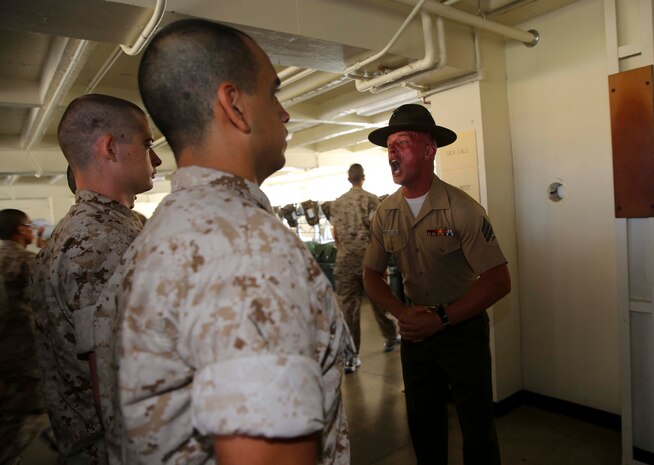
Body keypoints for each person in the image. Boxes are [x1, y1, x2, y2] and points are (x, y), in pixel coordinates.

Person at [96, 19, 351, 465]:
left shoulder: (158, 231)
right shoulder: (247, 250)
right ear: (234, 105)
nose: (285, 112)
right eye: (273, 92)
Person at [362, 104, 511, 465]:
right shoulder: (386, 213)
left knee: (477, 428)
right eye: (389, 146)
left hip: (462, 330)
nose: (392, 152)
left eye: (403, 142)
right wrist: (403, 315)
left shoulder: (462, 209)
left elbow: (497, 280)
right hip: (416, 334)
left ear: (430, 150)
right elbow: (370, 274)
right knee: (423, 424)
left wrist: (441, 319)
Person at [29, 93, 162, 465]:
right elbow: (118, 380)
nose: (157, 158)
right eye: (146, 143)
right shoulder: (100, 241)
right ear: (109, 147)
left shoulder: (109, 227)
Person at [332, 163, 399, 373]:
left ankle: (352, 358)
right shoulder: (371, 199)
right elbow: (378, 232)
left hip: (344, 261)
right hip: (370, 260)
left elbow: (335, 233)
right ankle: (391, 336)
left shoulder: (337, 203)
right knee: (380, 301)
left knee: (347, 309)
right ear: (363, 177)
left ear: (348, 178)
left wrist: (345, 249)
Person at [0, 209, 44, 464]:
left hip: (7, 361)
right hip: (22, 360)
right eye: (29, 225)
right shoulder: (25, 261)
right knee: (26, 419)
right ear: (20, 230)